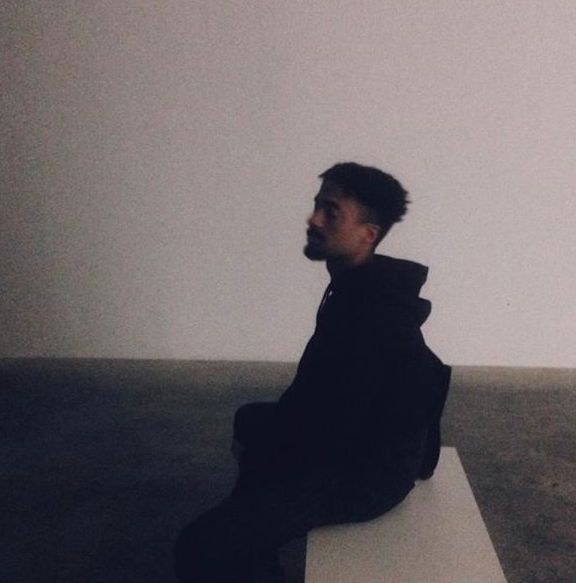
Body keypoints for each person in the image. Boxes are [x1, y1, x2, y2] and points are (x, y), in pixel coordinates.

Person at [174, 162, 452, 582]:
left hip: (364, 474)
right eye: (317, 206)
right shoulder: (355, 286)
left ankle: (251, 547)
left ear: (368, 234)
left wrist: (269, 488)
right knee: (251, 421)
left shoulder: (375, 315)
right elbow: (321, 398)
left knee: (198, 548)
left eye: (331, 212)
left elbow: (334, 436)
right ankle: (256, 548)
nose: (314, 219)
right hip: (349, 438)